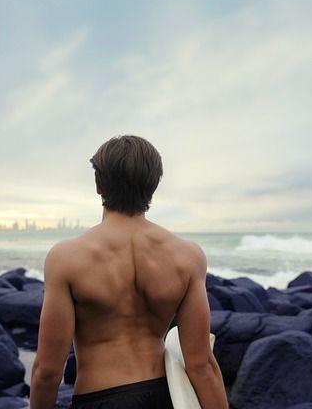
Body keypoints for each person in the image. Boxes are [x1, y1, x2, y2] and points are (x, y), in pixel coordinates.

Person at [30, 135, 228, 409]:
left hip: (99, 398)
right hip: (164, 397)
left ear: (98, 185)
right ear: (153, 185)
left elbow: (48, 371)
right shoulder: (187, 257)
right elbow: (202, 364)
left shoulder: (66, 259)